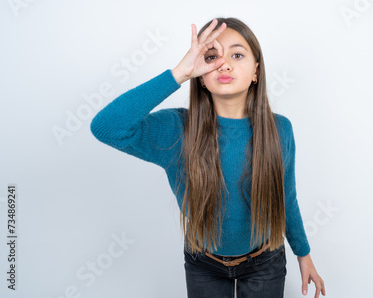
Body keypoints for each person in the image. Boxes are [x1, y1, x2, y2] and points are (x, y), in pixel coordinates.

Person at [90, 17, 326, 298]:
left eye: (237, 55)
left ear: (256, 71)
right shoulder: (178, 130)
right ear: (201, 76)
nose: (224, 64)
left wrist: (304, 254)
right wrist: (179, 73)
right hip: (204, 264)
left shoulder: (280, 129)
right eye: (211, 57)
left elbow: (286, 197)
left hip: (266, 261)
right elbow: (107, 127)